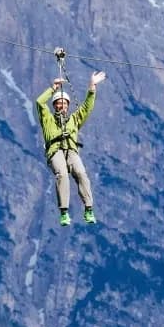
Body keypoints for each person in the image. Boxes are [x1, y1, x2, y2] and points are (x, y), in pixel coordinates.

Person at [36, 71, 105, 225]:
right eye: (59, 103)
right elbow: (40, 103)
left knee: (81, 172)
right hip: (55, 151)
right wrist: (53, 88)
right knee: (62, 174)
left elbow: (87, 107)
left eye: (65, 103)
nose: (62, 105)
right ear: (54, 106)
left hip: (71, 151)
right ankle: (64, 212)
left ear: (67, 106)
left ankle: (88, 209)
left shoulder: (74, 119)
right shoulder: (48, 119)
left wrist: (92, 86)